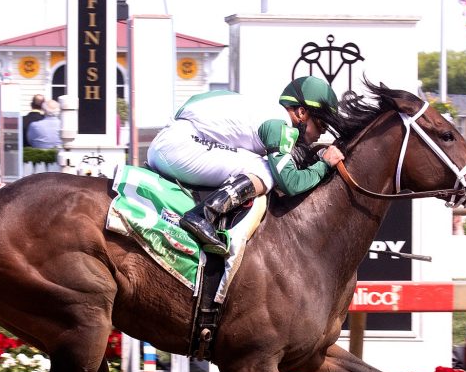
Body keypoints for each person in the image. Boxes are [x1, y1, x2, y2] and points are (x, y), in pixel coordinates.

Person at [146, 76, 344, 256]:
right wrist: (324, 165)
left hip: (172, 142)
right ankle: (202, 215)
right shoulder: (280, 124)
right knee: (266, 169)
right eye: (321, 124)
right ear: (301, 112)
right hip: (178, 146)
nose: (321, 133)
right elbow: (290, 183)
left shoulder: (265, 112)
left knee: (257, 163)